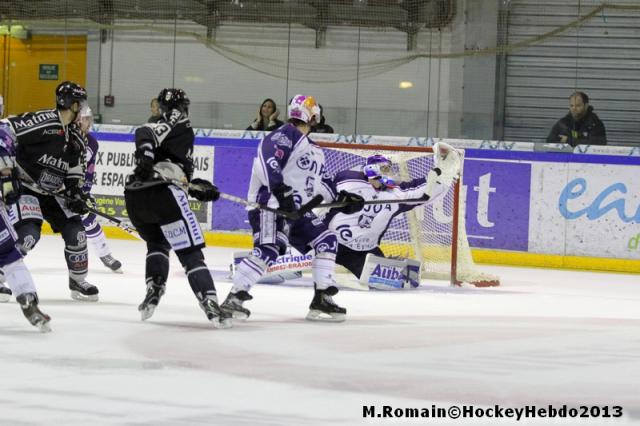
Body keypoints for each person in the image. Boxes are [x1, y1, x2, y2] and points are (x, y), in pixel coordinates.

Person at [221, 94, 364, 322]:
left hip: (297, 210)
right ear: (314, 115)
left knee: (326, 240)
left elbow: (321, 184)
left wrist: (343, 200)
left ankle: (322, 297)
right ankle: (234, 298)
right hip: (271, 205)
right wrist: (280, 191)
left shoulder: (314, 149)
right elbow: (267, 162)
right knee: (269, 249)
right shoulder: (286, 134)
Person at [124, 88, 230, 328]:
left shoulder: (174, 136)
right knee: (190, 254)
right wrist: (145, 157)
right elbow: (145, 133)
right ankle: (211, 305)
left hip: (136, 197)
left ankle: (153, 291)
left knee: (157, 244)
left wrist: (194, 187)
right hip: (163, 194)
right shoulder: (177, 117)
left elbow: (169, 167)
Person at [1, 81, 99, 302]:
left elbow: (74, 168)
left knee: (77, 233)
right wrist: (6, 170)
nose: (82, 108)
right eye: (79, 103)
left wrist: (75, 192)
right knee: (28, 236)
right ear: (70, 104)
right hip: (26, 187)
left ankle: (77, 280)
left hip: (54, 192)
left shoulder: (77, 135)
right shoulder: (44, 121)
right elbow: (5, 127)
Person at [324, 143, 461, 290]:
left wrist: (444, 175)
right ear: (372, 169)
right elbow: (322, 191)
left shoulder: (396, 193)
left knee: (387, 283)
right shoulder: (347, 180)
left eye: (389, 169)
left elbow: (422, 193)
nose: (389, 173)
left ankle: (384, 266)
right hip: (329, 241)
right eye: (385, 169)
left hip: (362, 250)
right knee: (304, 237)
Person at [0, 124, 51, 331]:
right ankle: (27, 300)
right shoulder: (4, 133)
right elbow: (4, 167)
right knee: (10, 256)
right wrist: (9, 186)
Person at [76, 105, 123, 273]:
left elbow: (88, 170)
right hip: (58, 188)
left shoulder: (92, 143)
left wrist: (85, 192)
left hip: (77, 190)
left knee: (89, 219)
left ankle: (105, 254)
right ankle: (12, 256)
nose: (88, 123)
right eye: (85, 119)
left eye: (89, 119)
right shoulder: (64, 138)